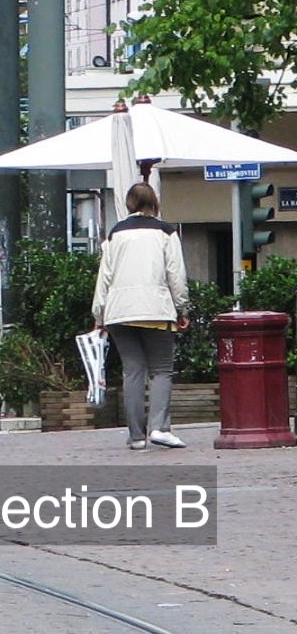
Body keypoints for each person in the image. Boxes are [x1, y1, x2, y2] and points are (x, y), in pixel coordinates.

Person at [91, 181, 190, 451]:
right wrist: (182, 308)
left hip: (119, 311)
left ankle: (136, 437)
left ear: (129, 204)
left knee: (132, 371)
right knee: (161, 370)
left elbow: (105, 277)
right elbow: (176, 275)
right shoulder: (166, 232)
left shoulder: (115, 234)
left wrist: (99, 314)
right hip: (156, 309)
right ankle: (159, 427)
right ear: (154, 203)